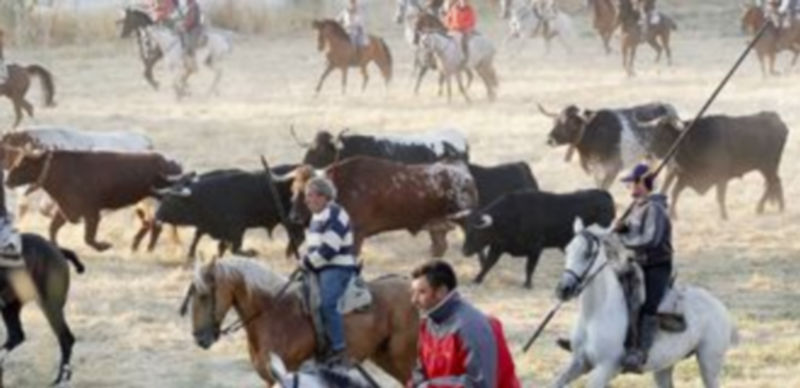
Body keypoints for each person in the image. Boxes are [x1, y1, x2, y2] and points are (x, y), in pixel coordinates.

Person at [408, 260, 520, 388]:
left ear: (441, 292)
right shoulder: (427, 323)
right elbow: (420, 370)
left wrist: (430, 386)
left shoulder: (470, 326)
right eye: (413, 292)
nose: (414, 300)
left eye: (421, 292)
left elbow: (481, 384)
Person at [616, 163, 673, 372]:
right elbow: (633, 231)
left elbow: (650, 239)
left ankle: (640, 351)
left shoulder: (655, 209)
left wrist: (623, 237)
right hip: (636, 263)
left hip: (655, 266)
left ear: (642, 183)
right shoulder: (638, 206)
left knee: (648, 306)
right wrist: (622, 228)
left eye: (631, 183)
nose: (628, 187)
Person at [300, 177, 358, 367]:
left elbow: (329, 248)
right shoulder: (317, 216)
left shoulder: (336, 213)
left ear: (324, 196)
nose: (306, 200)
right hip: (320, 266)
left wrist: (309, 262)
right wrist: (304, 258)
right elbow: (314, 248)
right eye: (306, 196)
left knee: (326, 304)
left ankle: (339, 349)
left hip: (337, 267)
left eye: (310, 196)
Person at [445, 0, 476, 66]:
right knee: (446, 40)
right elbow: (448, 19)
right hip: (453, 30)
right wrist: (449, 26)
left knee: (459, 39)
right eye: (461, 1)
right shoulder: (454, 8)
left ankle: (461, 56)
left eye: (464, 1)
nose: (463, 2)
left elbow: (471, 21)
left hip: (464, 30)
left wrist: (464, 27)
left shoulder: (470, 10)